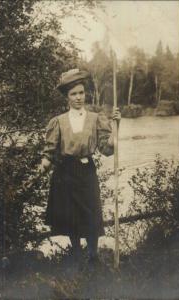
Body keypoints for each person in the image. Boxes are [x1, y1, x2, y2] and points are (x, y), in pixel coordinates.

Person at [36, 69, 121, 263]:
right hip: (64, 173)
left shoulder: (95, 119)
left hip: (86, 171)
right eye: (73, 94)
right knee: (71, 217)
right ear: (67, 97)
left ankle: (93, 256)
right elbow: (49, 153)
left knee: (91, 214)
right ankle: (76, 254)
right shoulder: (58, 122)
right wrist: (41, 168)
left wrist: (116, 128)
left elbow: (106, 149)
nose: (78, 97)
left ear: (86, 93)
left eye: (81, 93)